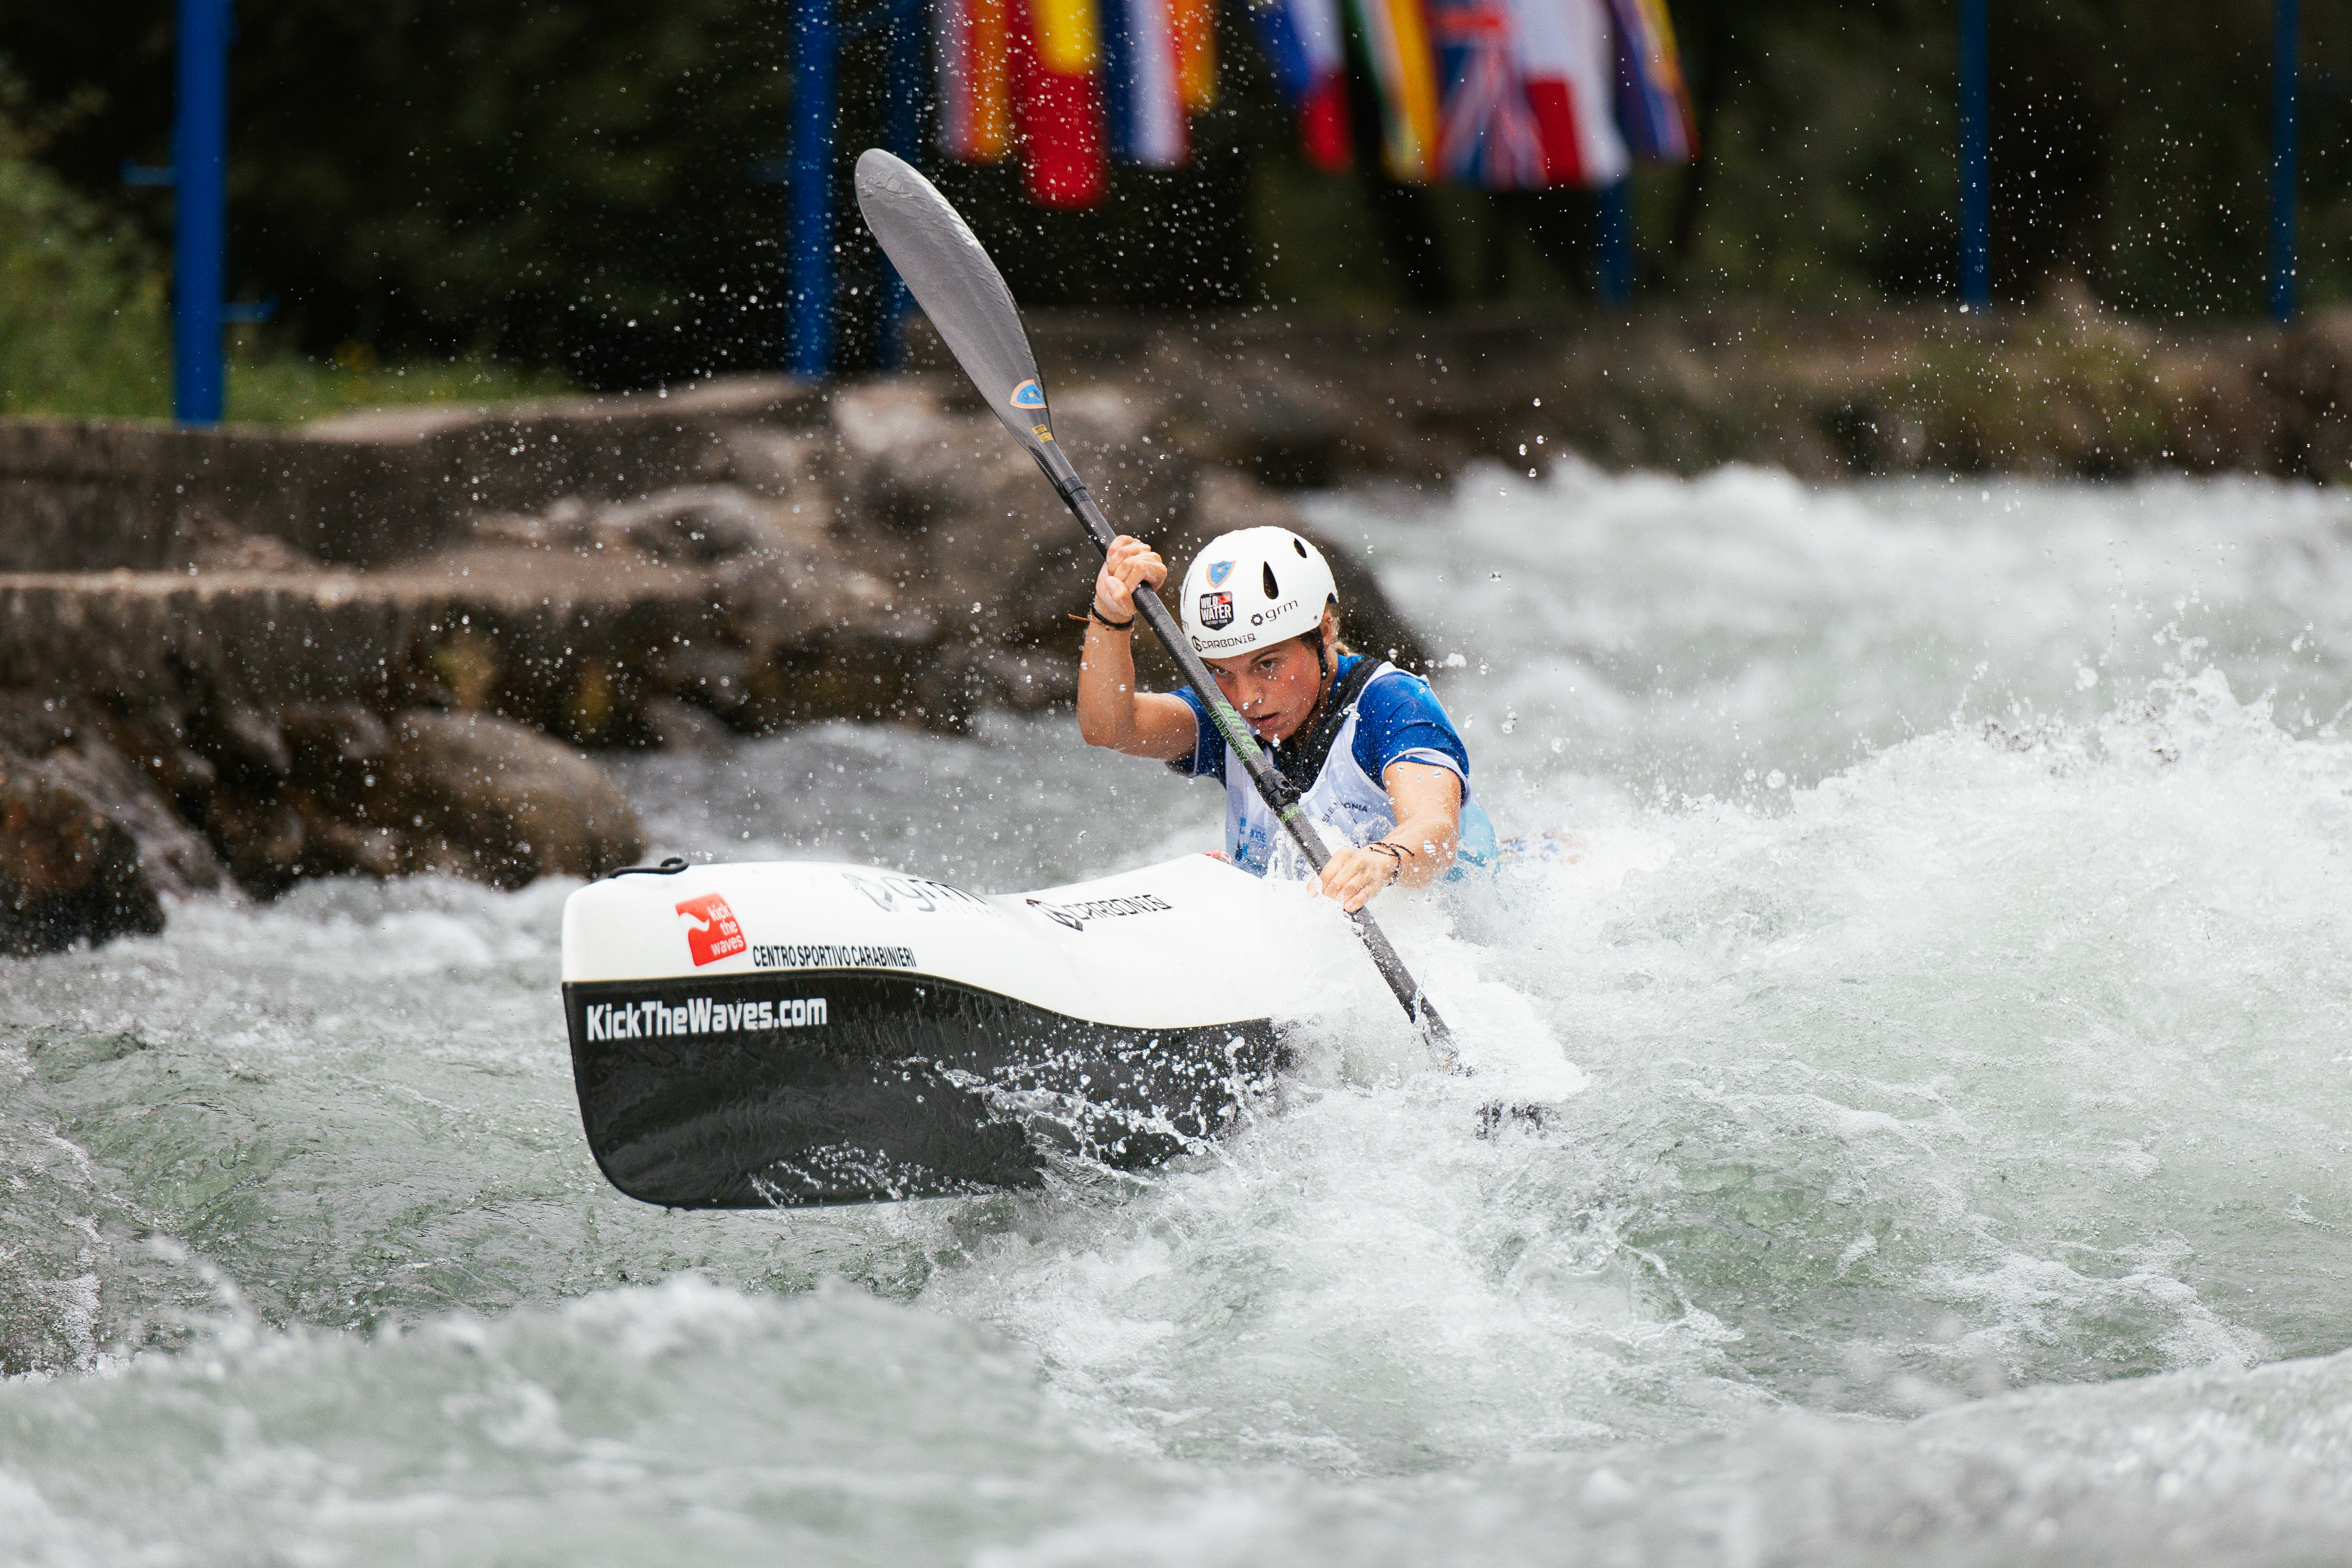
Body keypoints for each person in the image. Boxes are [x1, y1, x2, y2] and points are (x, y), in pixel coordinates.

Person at [1076, 525, 1497, 912]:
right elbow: (1111, 727)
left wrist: (1380, 860)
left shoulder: (1392, 702)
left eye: (1267, 664)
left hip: (1457, 933)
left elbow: (1434, 827)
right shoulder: (1223, 712)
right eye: (1221, 670)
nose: (1246, 699)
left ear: (1324, 631)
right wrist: (1110, 617)